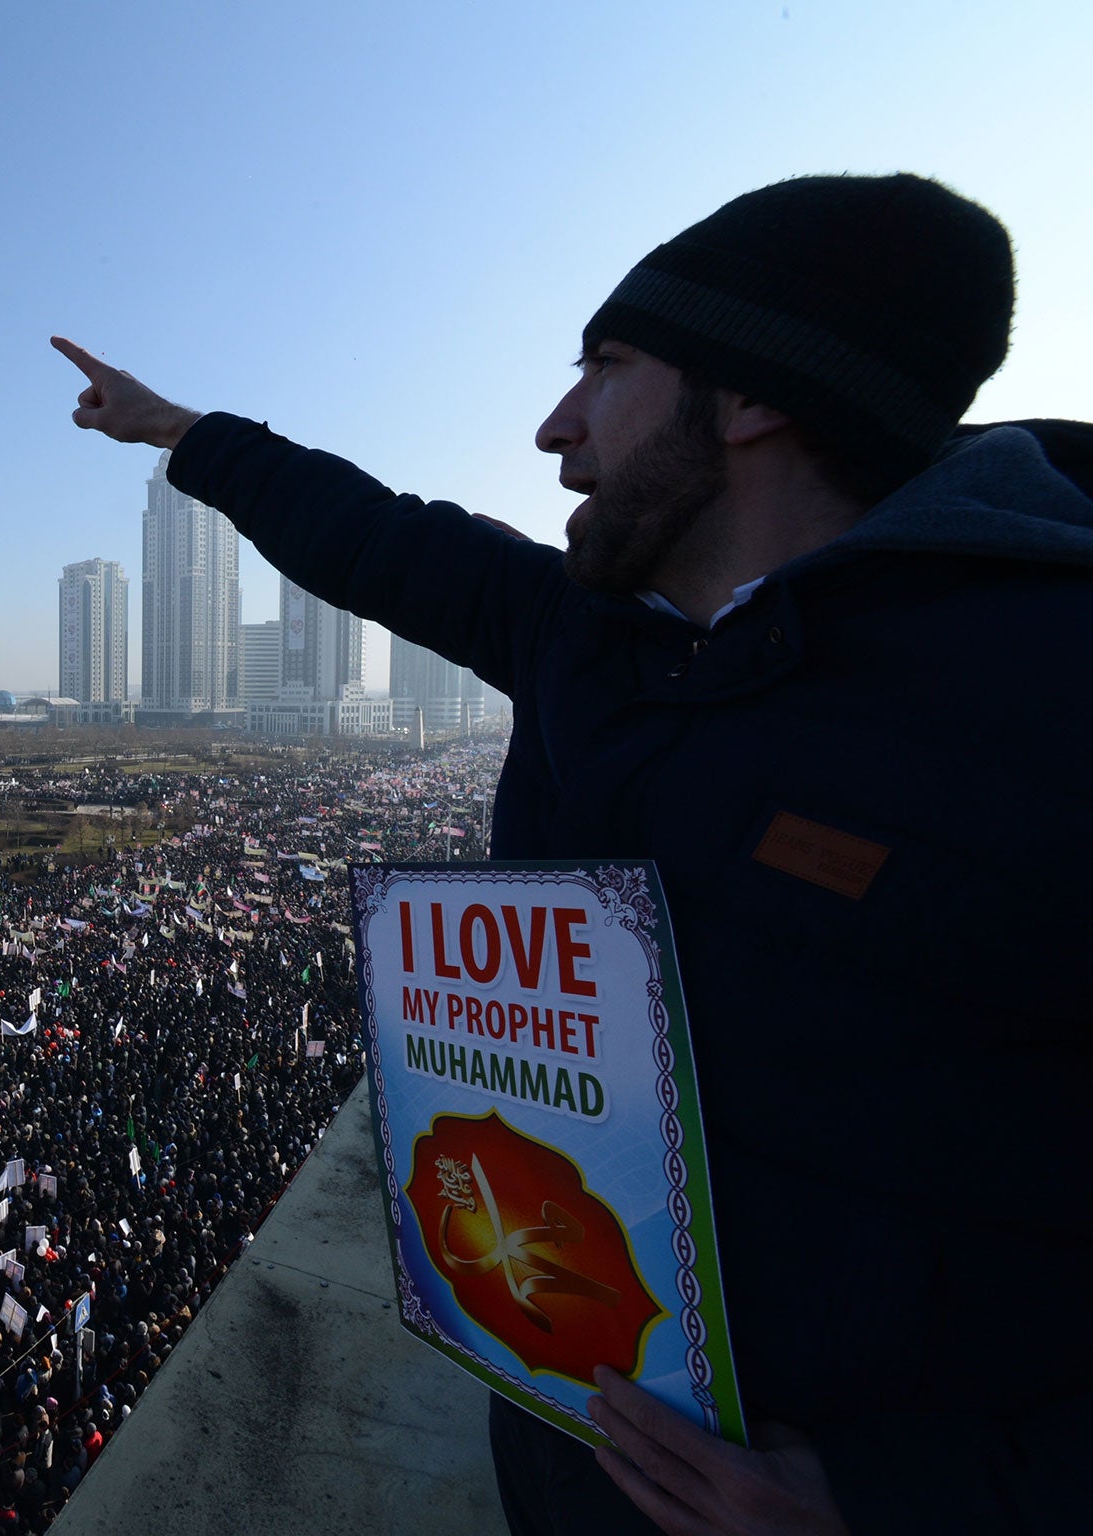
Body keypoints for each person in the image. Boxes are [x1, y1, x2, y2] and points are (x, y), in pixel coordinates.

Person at [53, 173, 1091, 1535]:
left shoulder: (1043, 699)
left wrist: (902, 1505)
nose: (555, 429)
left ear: (754, 398)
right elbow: (382, 537)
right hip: (569, 1456)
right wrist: (180, 433)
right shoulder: (593, 640)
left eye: (604, 368)